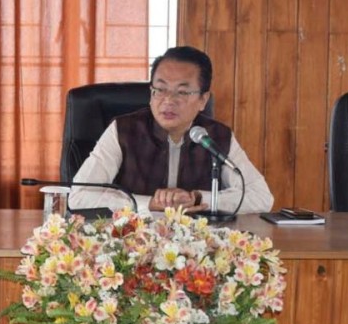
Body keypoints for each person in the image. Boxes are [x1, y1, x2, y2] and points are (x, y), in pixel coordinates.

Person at [68, 46, 273, 214]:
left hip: (197, 248)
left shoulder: (215, 136)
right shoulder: (123, 130)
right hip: (131, 246)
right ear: (151, 93)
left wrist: (199, 198)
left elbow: (261, 197)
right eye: (160, 89)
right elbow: (79, 196)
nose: (168, 100)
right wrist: (147, 204)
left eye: (182, 92)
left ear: (203, 99)